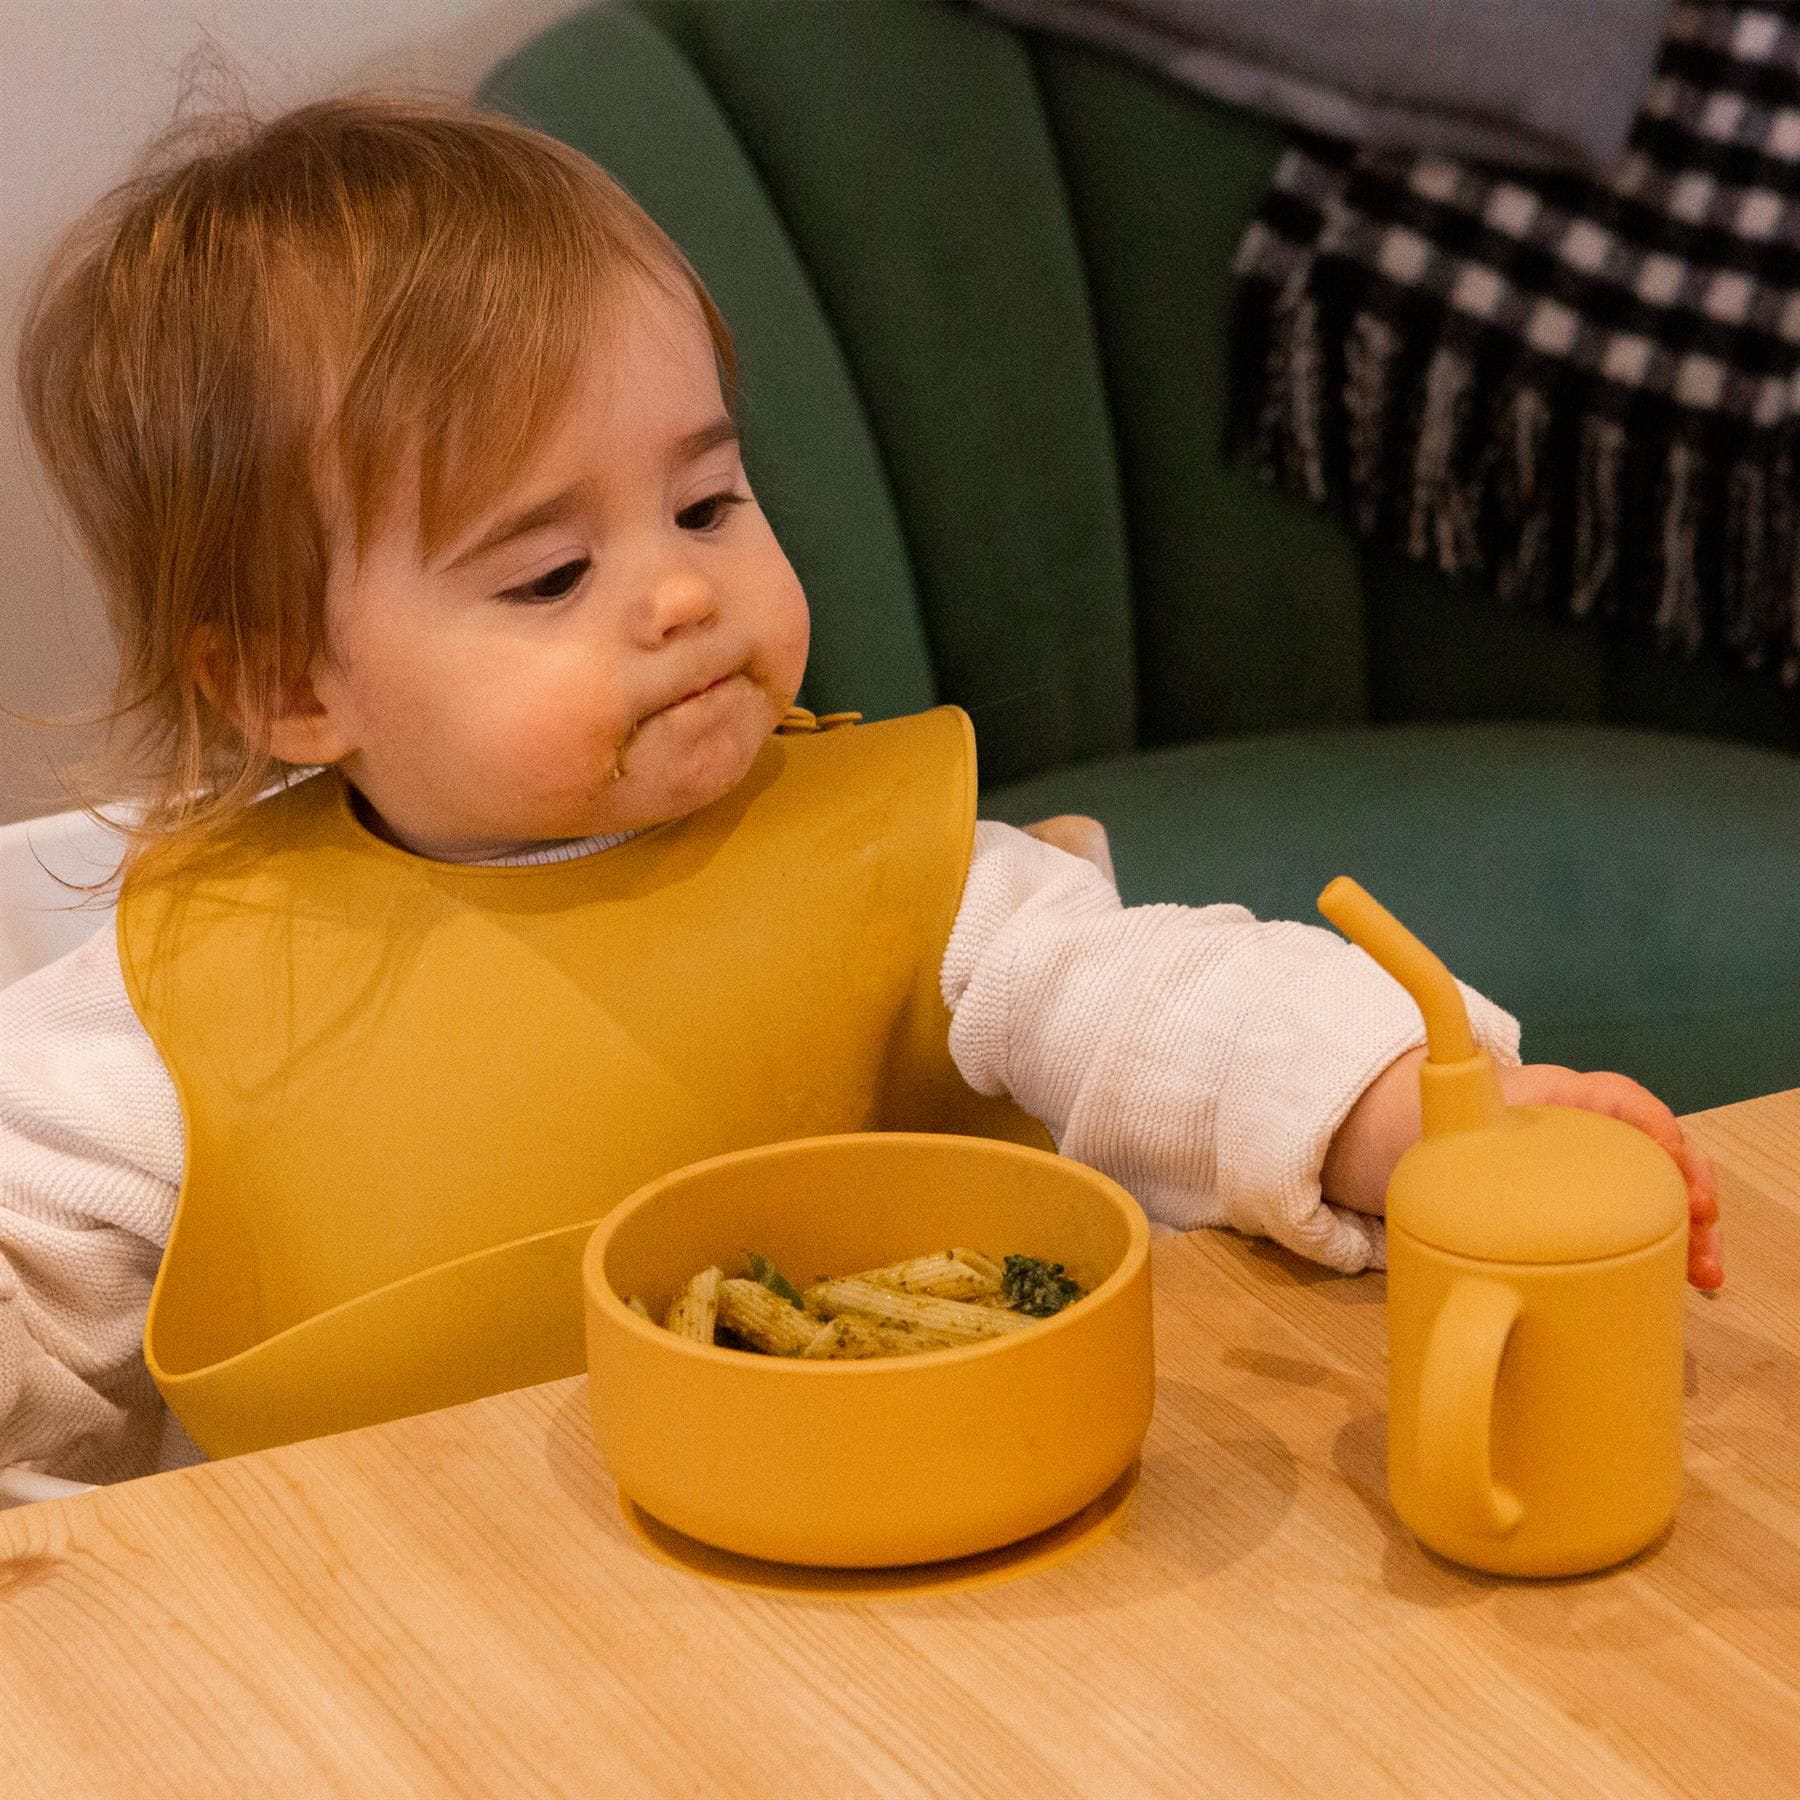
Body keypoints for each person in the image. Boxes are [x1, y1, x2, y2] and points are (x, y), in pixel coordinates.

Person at [0, 95, 1721, 1484]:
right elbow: (30, 1277)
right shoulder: (175, 1005)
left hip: (896, 1593)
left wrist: (1411, 1114)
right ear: (291, 685)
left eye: (707, 504)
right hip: (399, 1682)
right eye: (549, 575)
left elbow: (1157, 1004)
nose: (681, 593)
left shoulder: (905, 866)